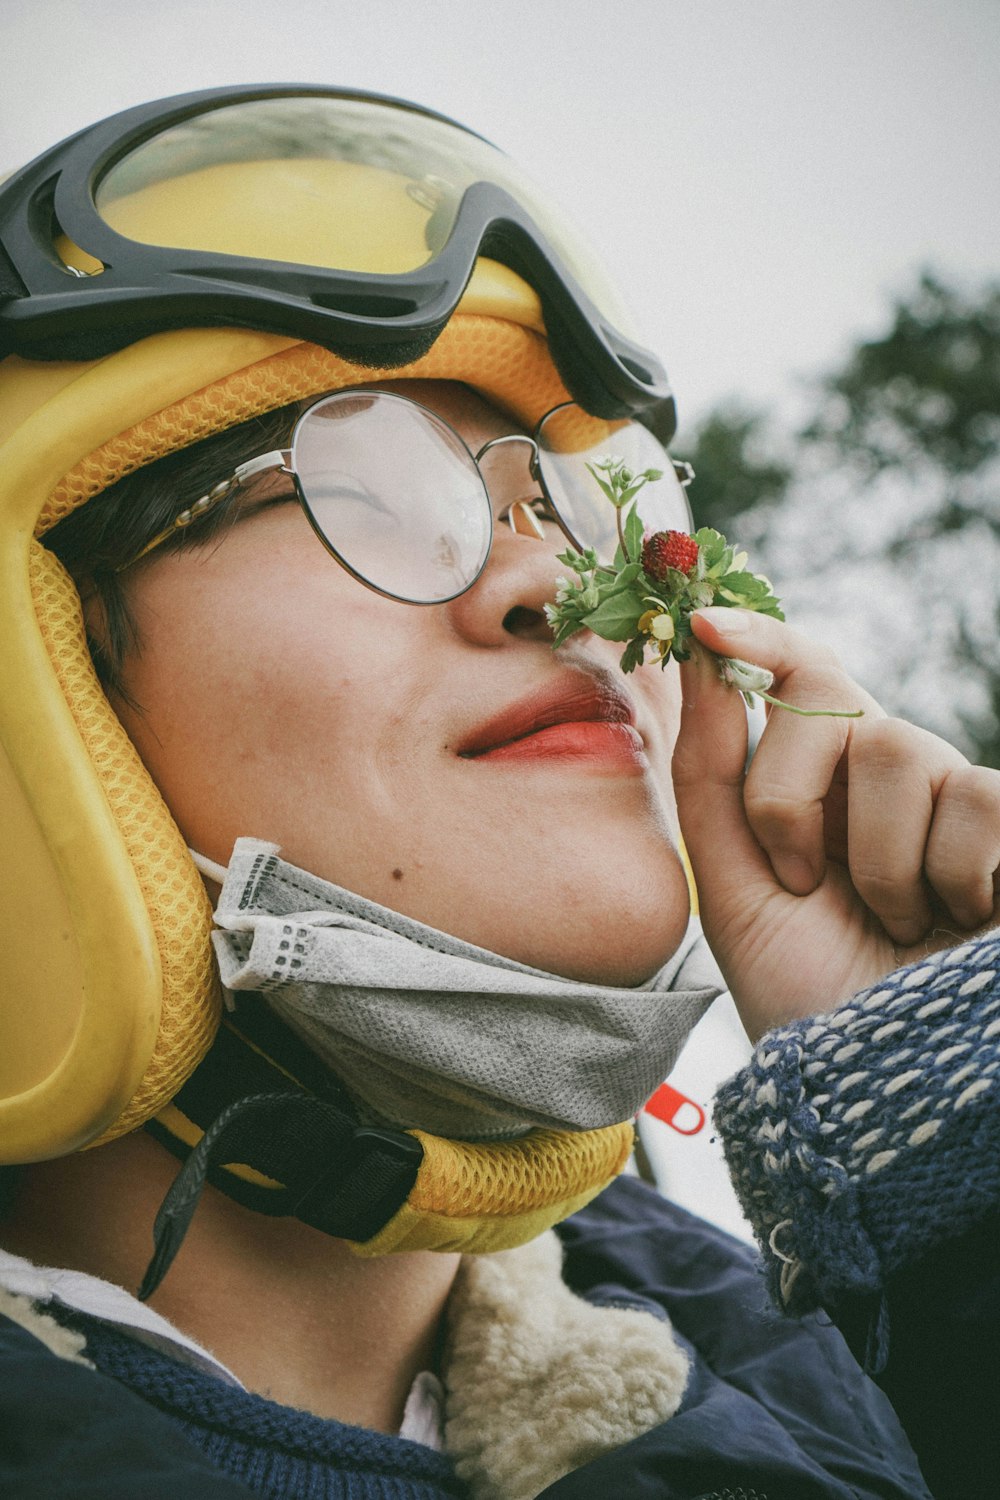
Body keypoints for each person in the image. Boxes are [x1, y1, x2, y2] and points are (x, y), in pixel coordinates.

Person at [0, 84, 997, 1500]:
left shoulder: (836, 1390)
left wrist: (947, 1158)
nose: (561, 586)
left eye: (581, 510)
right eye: (364, 484)